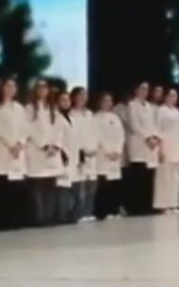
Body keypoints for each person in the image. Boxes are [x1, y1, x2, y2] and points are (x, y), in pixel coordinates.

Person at [0, 78, 28, 230]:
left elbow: (25, 128)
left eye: (13, 86)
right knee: (0, 186)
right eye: (7, 85)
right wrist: (11, 144)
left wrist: (20, 143)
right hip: (0, 149)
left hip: (17, 151)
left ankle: (14, 220)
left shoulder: (19, 108)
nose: (11, 88)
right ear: (1, 88)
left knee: (15, 186)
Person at [25, 81, 64, 226]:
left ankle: (49, 215)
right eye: (40, 88)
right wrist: (44, 145)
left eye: (45, 88)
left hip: (53, 152)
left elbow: (60, 129)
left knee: (51, 185)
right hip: (37, 151)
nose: (42, 90)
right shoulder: (30, 108)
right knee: (38, 186)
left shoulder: (54, 108)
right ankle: (39, 217)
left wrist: (56, 145)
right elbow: (29, 129)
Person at [124, 82, 160, 216]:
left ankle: (147, 205)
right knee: (138, 177)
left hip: (150, 146)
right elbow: (134, 125)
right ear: (136, 90)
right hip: (139, 143)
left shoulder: (149, 106)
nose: (145, 91)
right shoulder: (132, 105)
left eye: (147, 89)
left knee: (148, 176)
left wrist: (154, 137)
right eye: (142, 88)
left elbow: (153, 124)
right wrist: (147, 137)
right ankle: (136, 207)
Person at [93, 92, 125, 219]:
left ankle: (114, 209)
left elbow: (121, 135)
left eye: (110, 100)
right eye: (105, 100)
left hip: (116, 155)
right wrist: (108, 151)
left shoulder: (115, 118)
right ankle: (102, 211)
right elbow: (98, 136)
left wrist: (118, 150)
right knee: (104, 184)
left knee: (114, 183)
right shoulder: (96, 118)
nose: (108, 103)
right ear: (100, 102)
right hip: (103, 155)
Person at [68, 88, 98, 221]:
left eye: (85, 95)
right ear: (74, 97)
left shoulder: (89, 114)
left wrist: (93, 147)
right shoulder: (71, 114)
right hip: (79, 152)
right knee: (79, 184)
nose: (83, 97)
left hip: (92, 152)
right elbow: (74, 134)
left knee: (91, 183)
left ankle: (89, 211)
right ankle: (78, 213)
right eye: (80, 95)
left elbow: (94, 132)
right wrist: (83, 149)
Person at [152, 88, 179, 212]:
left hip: (175, 145)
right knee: (164, 176)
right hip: (165, 144)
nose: (173, 98)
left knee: (175, 176)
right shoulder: (161, 110)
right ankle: (162, 205)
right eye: (171, 95)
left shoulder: (176, 111)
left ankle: (173, 203)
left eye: (175, 96)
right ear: (165, 97)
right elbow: (157, 129)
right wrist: (160, 149)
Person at [53, 89, 78, 224]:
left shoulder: (71, 117)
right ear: (57, 102)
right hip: (63, 156)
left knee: (69, 186)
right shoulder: (56, 118)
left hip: (72, 156)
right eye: (63, 100)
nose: (66, 102)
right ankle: (61, 215)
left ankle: (68, 214)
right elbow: (56, 137)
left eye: (68, 100)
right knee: (62, 187)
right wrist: (62, 152)